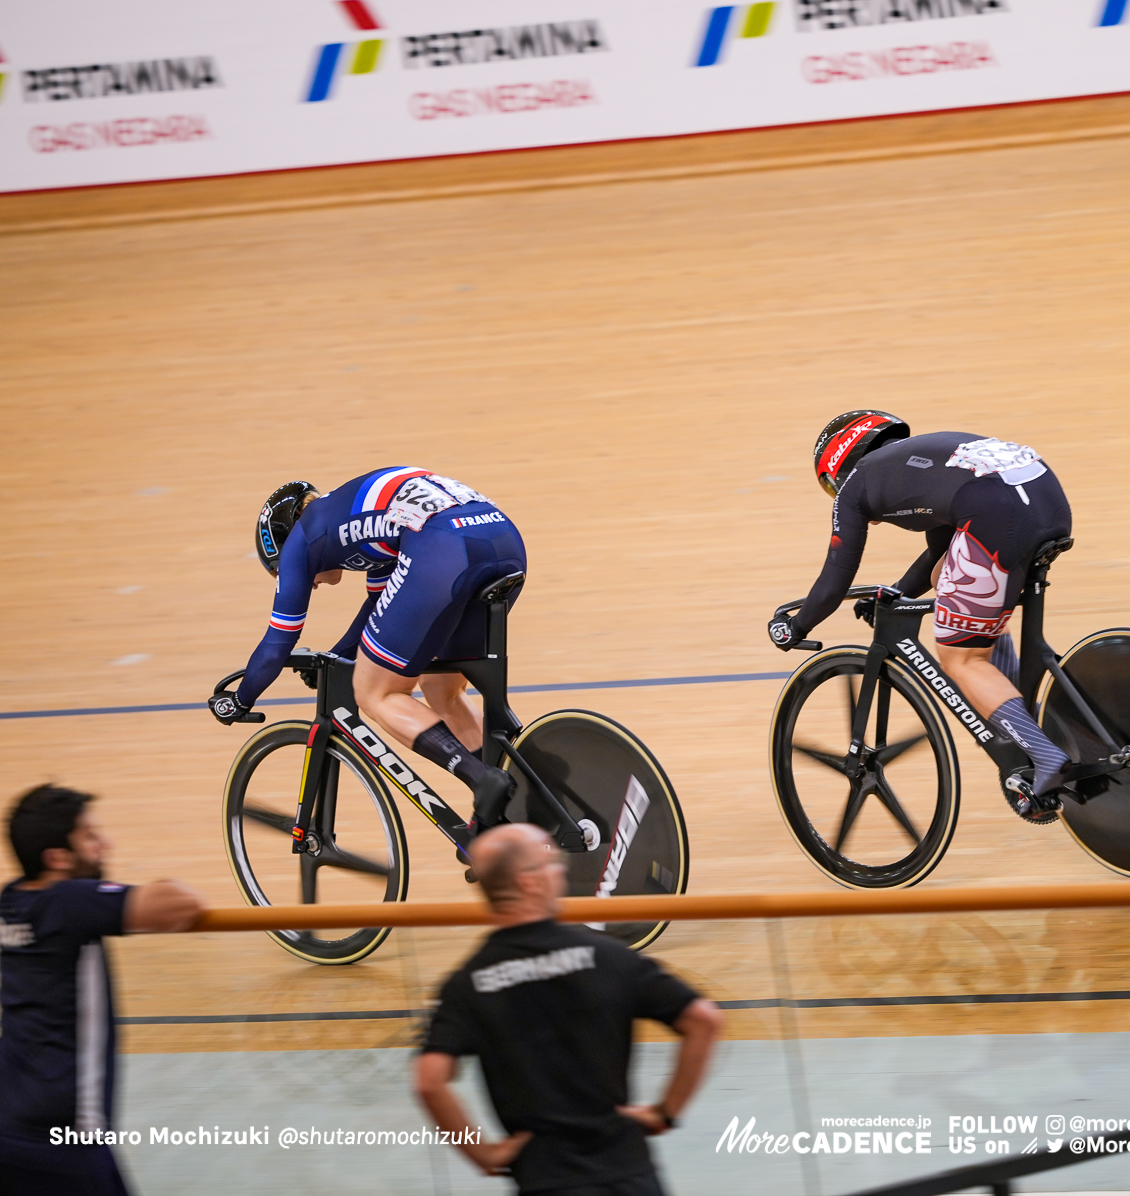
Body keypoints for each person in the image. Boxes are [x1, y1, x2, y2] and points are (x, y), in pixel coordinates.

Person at [766, 412, 1075, 823]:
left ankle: (1045, 755)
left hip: (997, 515)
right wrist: (898, 592)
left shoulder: (858, 482)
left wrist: (796, 626)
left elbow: (834, 581)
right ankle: (1023, 719)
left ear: (838, 463)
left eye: (828, 484)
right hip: (1045, 500)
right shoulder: (922, 463)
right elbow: (938, 552)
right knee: (945, 578)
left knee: (961, 658)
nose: (833, 491)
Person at [206, 468, 527, 838]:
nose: (304, 581)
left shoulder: (301, 540)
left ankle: (484, 779)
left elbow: (278, 643)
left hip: (442, 550)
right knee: (441, 689)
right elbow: (379, 608)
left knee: (376, 692)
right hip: (500, 537)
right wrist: (338, 654)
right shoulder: (350, 522)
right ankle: (514, 795)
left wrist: (241, 698)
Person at [416, 823, 723, 1196]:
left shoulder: (467, 984)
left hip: (545, 1177)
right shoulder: (607, 956)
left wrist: (482, 1153)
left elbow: (429, 1082)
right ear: (529, 883)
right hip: (626, 1171)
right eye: (552, 861)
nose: (561, 869)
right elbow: (703, 1020)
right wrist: (665, 1113)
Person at [2, 784, 205, 1195]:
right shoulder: (68, 901)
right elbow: (182, 904)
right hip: (66, 1134)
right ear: (57, 857)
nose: (104, 845)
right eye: (90, 837)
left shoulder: (10, 901)